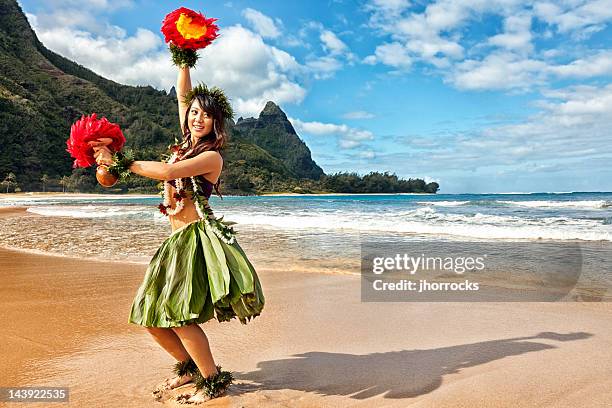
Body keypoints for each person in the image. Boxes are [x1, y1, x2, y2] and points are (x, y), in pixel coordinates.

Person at [91, 66, 265, 404]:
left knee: (180, 317)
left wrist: (122, 162)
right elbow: (184, 95)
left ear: (217, 123)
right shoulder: (184, 144)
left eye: (207, 115)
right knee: (150, 316)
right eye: (195, 113)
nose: (198, 118)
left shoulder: (210, 157)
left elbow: (168, 172)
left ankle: (212, 381)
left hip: (194, 242)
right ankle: (187, 367)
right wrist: (183, 57)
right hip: (173, 241)